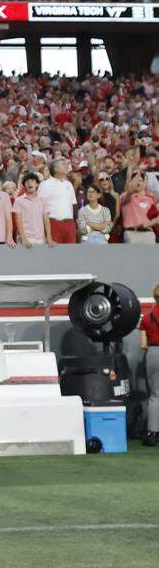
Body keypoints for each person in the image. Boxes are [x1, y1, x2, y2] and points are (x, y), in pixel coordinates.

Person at [38, 158, 78, 244]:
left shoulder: (69, 184)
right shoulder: (44, 185)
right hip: (53, 224)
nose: (67, 166)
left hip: (70, 224)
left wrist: (74, 226)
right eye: (63, 164)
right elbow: (39, 208)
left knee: (70, 255)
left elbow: (73, 205)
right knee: (55, 255)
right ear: (56, 169)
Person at [12, 173, 55, 249]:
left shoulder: (43, 200)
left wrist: (49, 237)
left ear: (37, 184)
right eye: (27, 182)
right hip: (25, 239)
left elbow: (46, 220)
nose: (29, 183)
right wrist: (23, 238)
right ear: (24, 185)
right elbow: (18, 220)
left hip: (41, 239)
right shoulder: (19, 200)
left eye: (32, 181)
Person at [140, 284, 159, 447]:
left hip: (154, 353)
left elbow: (143, 344)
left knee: (155, 395)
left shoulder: (147, 318)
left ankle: (152, 433)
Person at [120, 172, 158, 244]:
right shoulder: (125, 196)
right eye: (135, 180)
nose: (138, 182)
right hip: (131, 233)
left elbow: (157, 218)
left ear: (144, 183)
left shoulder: (150, 199)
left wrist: (147, 224)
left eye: (140, 180)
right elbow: (130, 190)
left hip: (149, 234)